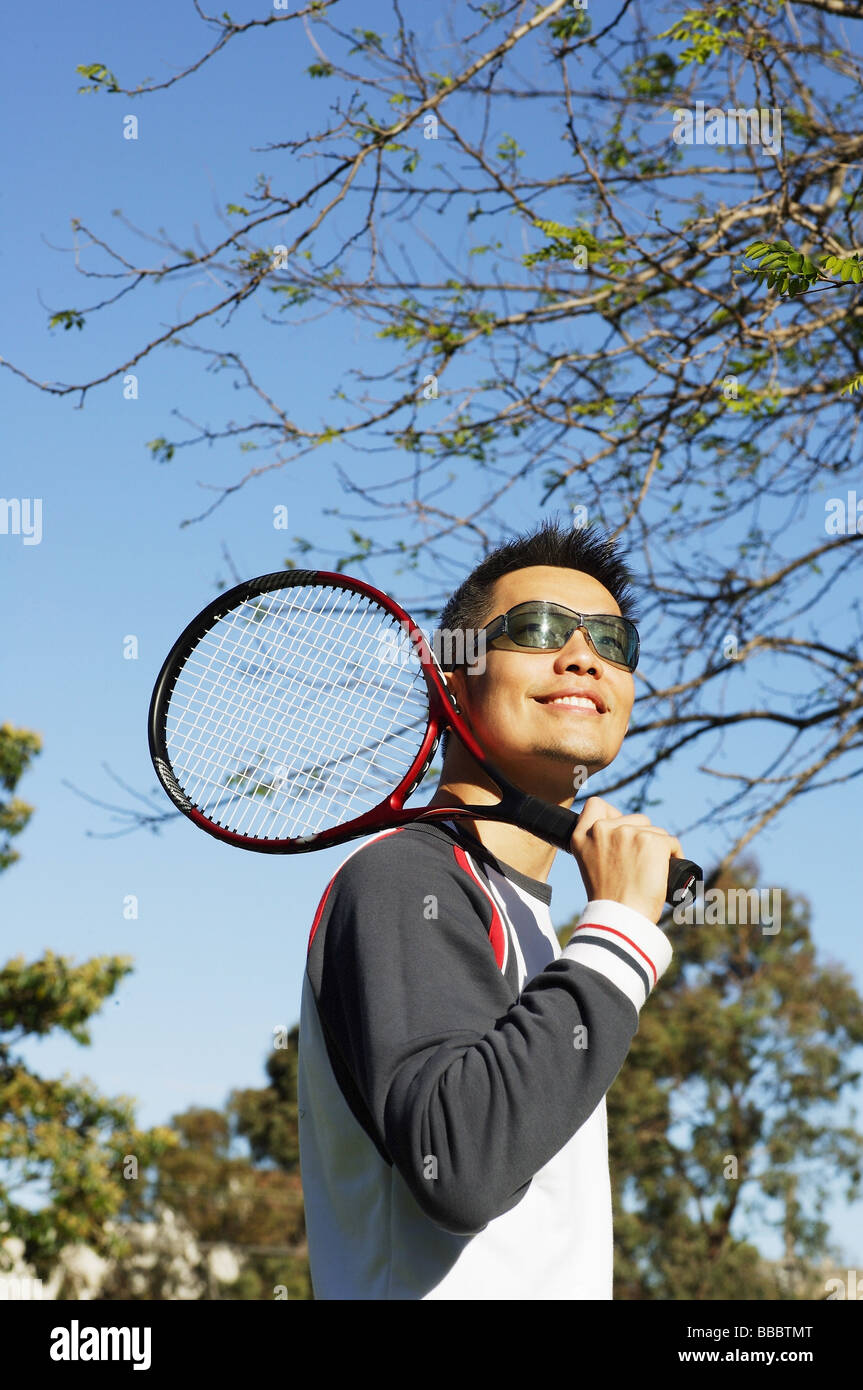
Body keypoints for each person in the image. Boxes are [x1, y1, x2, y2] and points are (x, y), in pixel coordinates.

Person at [297, 518, 683, 1299]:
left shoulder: (531, 920)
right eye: (538, 629)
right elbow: (461, 1166)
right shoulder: (403, 877)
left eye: (613, 642)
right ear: (452, 677)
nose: (582, 656)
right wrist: (618, 935)